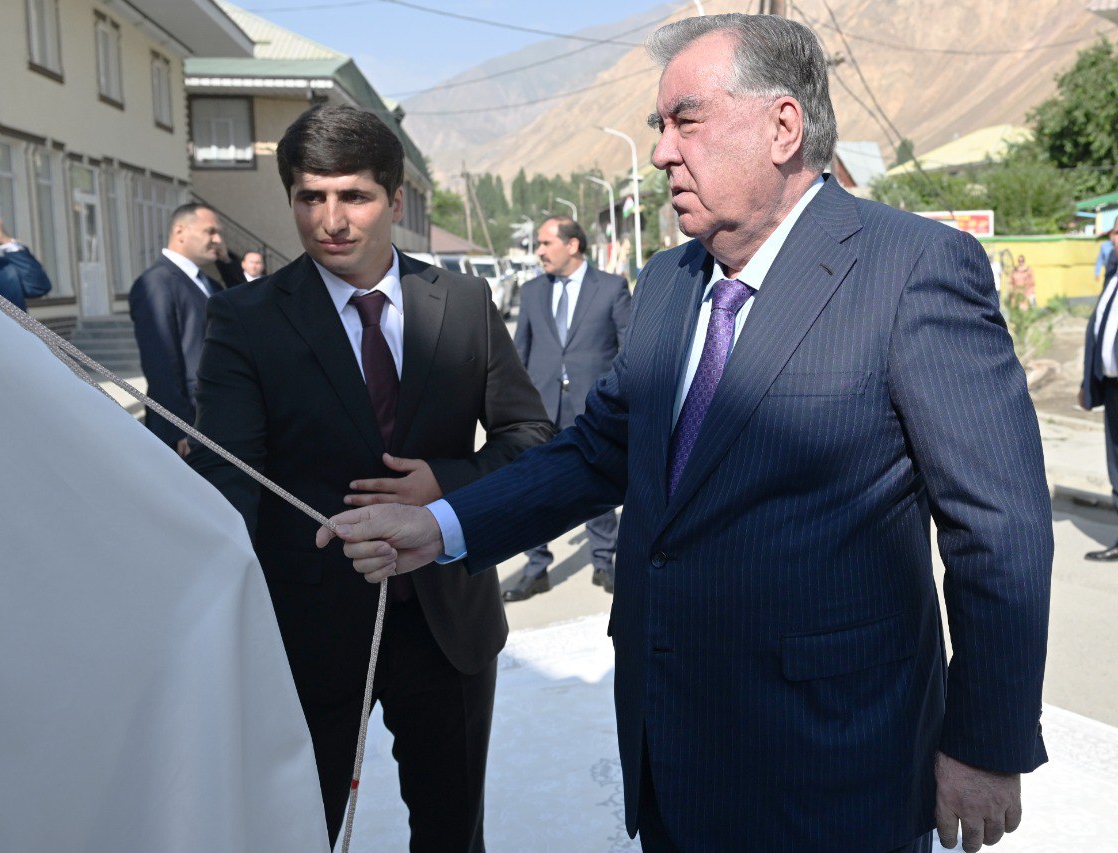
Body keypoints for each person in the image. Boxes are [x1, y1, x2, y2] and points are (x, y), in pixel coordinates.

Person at [320, 14, 1051, 853]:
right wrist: (441, 524)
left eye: (686, 121)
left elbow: (997, 526)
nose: (662, 152)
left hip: (836, 763)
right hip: (673, 750)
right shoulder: (669, 281)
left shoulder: (912, 269)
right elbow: (598, 449)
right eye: (657, 127)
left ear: (783, 126)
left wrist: (985, 743)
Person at [188, 104, 552, 850]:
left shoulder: (464, 304)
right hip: (308, 633)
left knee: (452, 834)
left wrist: (443, 483)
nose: (330, 220)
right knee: (302, 831)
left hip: (446, 623)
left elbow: (531, 440)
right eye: (309, 197)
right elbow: (229, 483)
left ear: (395, 198)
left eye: (353, 195)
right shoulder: (245, 320)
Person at [503, 216, 631, 601]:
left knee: (596, 484)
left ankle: (604, 561)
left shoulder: (610, 288)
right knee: (532, 489)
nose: (539, 251)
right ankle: (536, 567)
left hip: (593, 406)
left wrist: (616, 398)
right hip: (540, 408)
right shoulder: (532, 291)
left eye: (545, 243)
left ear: (572, 245)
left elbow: (630, 349)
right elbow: (519, 353)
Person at [129, 203, 225, 456]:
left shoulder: (208, 283)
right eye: (210, 231)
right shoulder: (156, 283)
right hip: (187, 426)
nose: (218, 240)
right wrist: (179, 426)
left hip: (214, 415)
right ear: (180, 231)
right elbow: (160, 361)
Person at [1080, 248, 1118, 560]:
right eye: (1115, 232)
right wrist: (1087, 383)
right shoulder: (1113, 278)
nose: (1115, 239)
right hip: (1113, 388)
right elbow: (1100, 330)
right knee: (1116, 467)